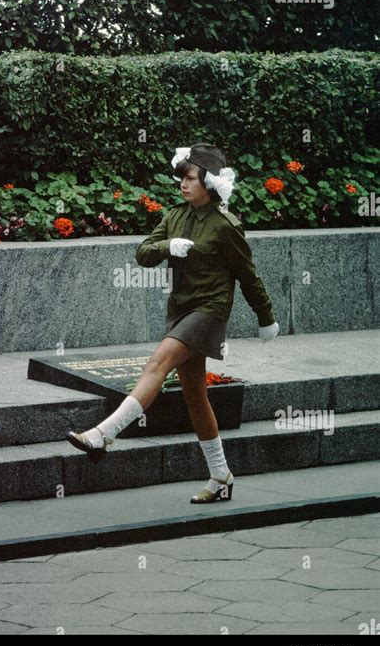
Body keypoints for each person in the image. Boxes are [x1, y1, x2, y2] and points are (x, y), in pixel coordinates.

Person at [66, 143, 279, 503]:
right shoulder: (175, 216)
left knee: (158, 362)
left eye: (190, 178)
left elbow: (248, 275)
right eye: (181, 177)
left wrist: (266, 316)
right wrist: (168, 246)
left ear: (209, 184)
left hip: (209, 311)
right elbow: (142, 253)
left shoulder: (226, 226)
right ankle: (221, 476)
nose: (183, 183)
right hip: (181, 309)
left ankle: (104, 434)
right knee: (196, 397)